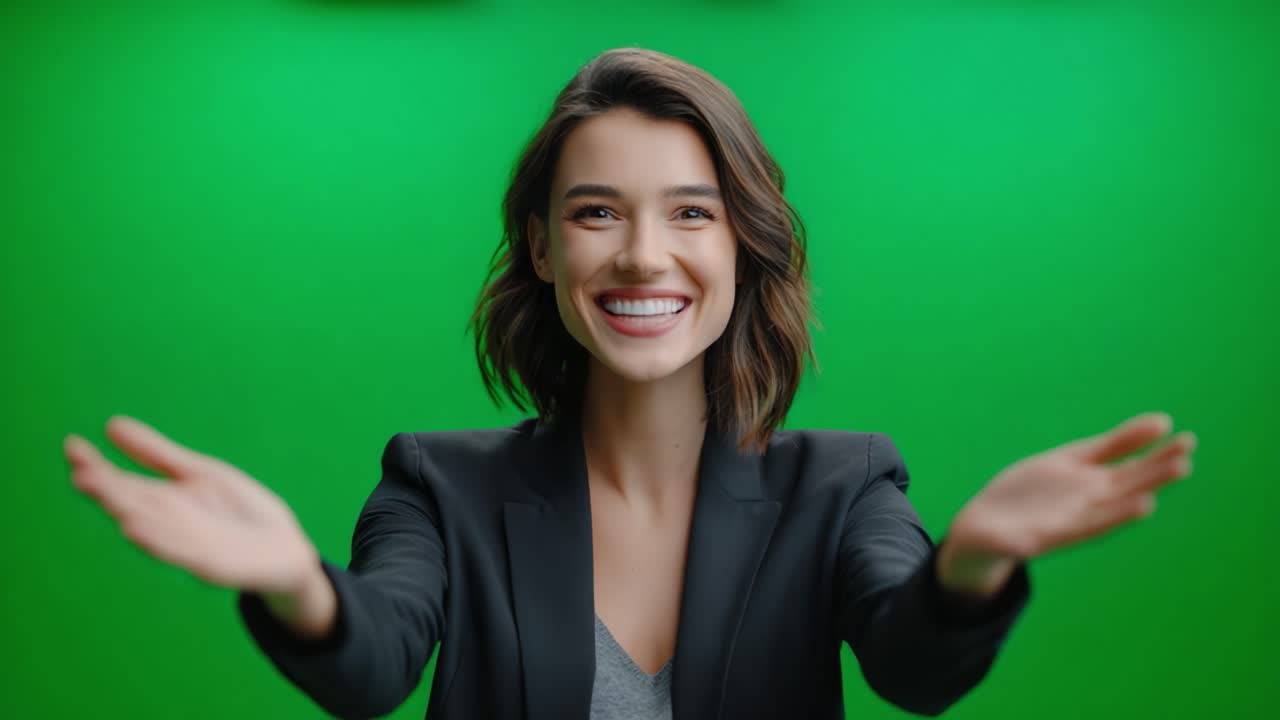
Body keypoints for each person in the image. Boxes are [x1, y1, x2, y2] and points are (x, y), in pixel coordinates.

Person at [63, 47, 1197, 720]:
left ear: (742, 248)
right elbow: (373, 662)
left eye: (690, 214)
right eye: (595, 211)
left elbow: (910, 667)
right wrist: (293, 584)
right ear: (544, 248)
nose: (643, 257)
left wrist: (971, 565)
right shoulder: (434, 482)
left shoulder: (844, 484)